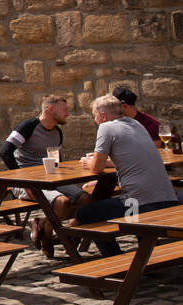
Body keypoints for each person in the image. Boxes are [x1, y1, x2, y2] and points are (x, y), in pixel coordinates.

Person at [74, 94, 181, 257]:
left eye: (94, 116)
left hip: (140, 204)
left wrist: (88, 162)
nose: (95, 120)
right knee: (128, 211)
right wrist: (107, 162)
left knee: (85, 214)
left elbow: (96, 168)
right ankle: (146, 255)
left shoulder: (106, 127)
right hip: (168, 198)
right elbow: (132, 158)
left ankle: (117, 261)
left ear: (102, 115)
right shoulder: (136, 124)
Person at [0, 94, 87, 255]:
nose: (68, 113)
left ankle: (45, 226)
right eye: (64, 110)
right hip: (27, 181)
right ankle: (49, 235)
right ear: (51, 109)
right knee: (62, 202)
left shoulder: (57, 132)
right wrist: (24, 179)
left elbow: (56, 160)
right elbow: (5, 152)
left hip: (50, 178)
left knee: (85, 199)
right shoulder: (28, 126)